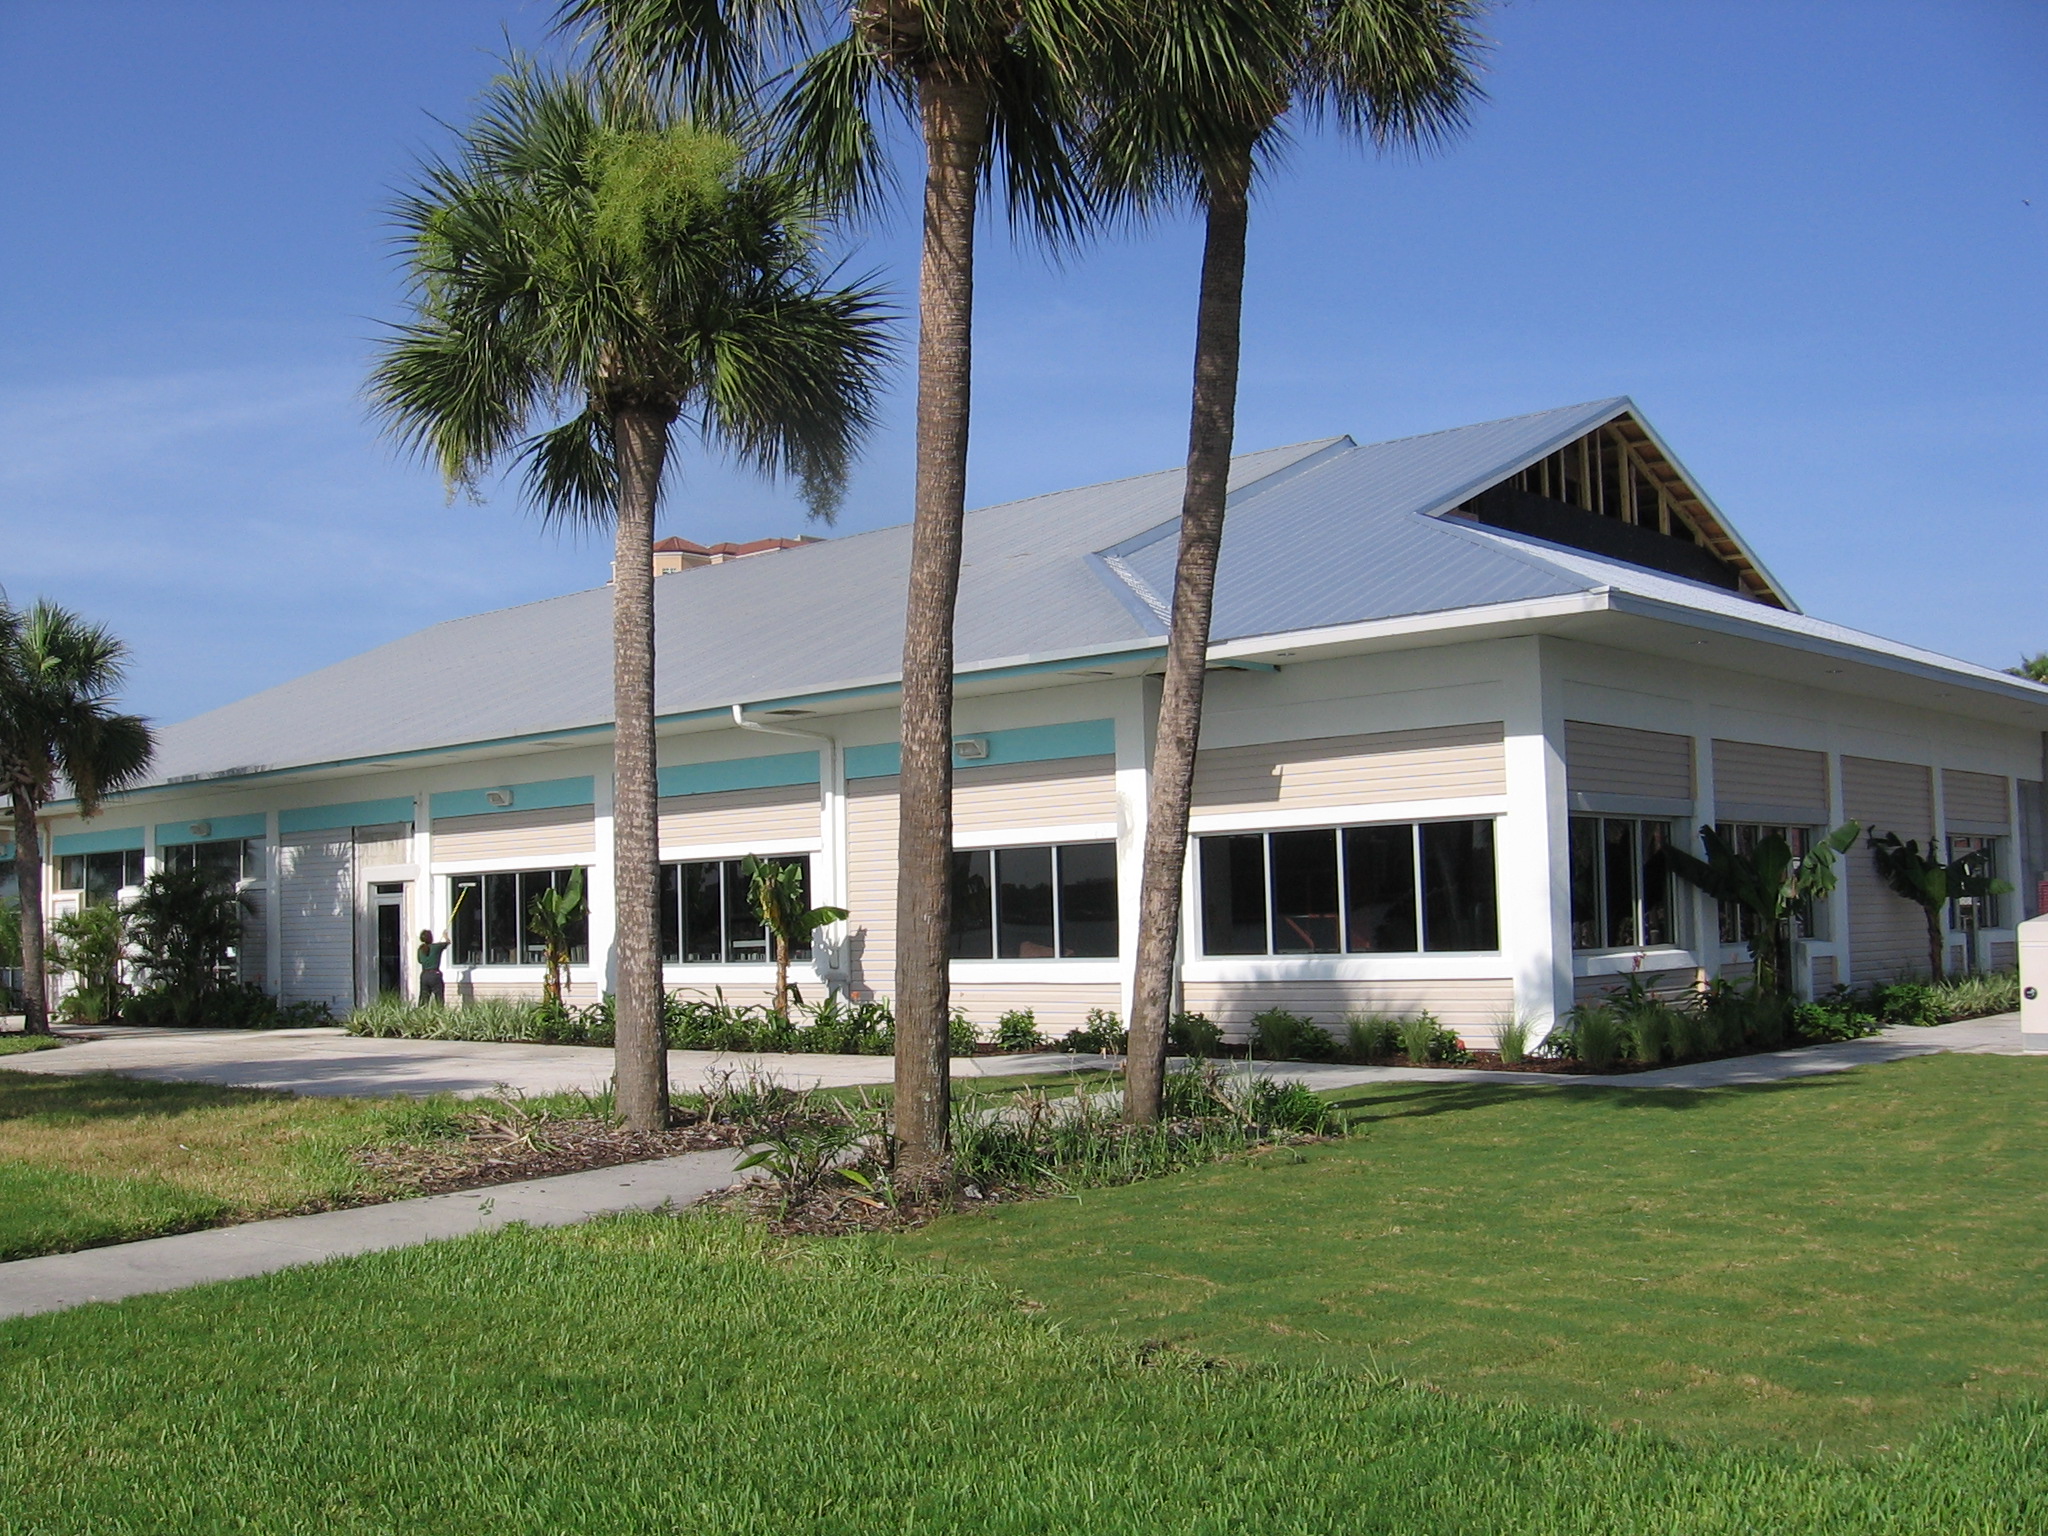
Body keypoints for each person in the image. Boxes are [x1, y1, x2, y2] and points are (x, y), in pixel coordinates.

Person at [417, 928, 449, 1006]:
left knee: (423, 999)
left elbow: (420, 961)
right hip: (435, 974)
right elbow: (448, 942)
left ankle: (421, 1014)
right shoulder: (436, 947)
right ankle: (439, 1013)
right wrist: (445, 936)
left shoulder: (420, 949)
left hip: (424, 975)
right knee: (439, 999)